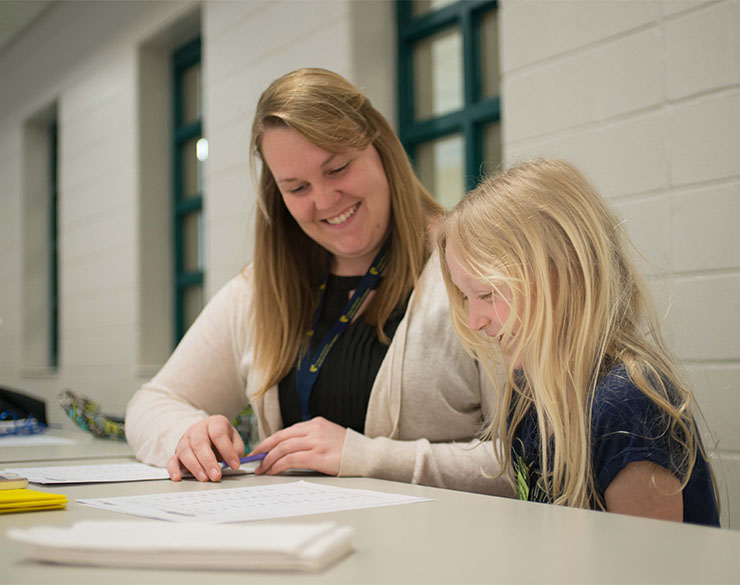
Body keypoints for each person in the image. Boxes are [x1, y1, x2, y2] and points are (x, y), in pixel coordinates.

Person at [124, 68, 512, 497]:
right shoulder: (260, 290)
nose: (325, 201)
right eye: (297, 187)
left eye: (338, 168)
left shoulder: (470, 273)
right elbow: (151, 403)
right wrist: (188, 434)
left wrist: (365, 457)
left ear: (381, 149)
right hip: (305, 548)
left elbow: (529, 460)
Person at [438, 158, 719, 525]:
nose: (476, 321)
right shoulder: (525, 397)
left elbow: (648, 572)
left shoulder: (627, 405)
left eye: (488, 294)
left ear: (567, 271)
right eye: (465, 297)